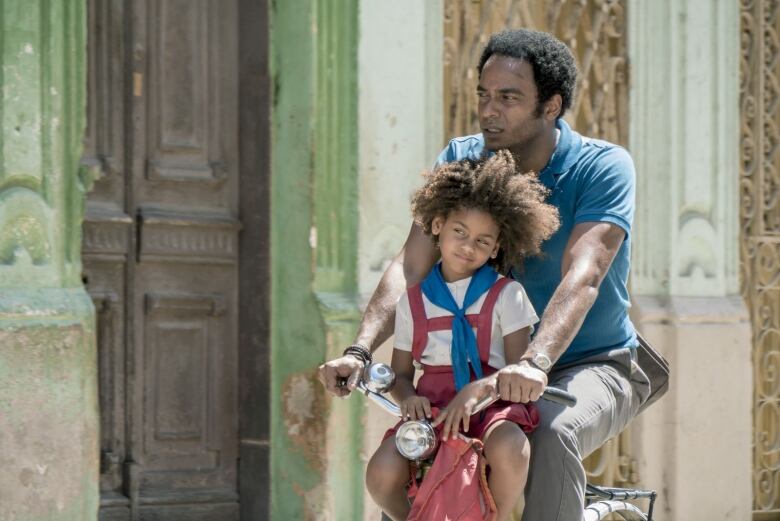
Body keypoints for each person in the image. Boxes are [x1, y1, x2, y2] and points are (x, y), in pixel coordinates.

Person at [319, 28, 651, 520]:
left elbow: (583, 274)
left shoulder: (603, 166)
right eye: (483, 95)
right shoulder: (462, 158)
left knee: (552, 432)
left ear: (552, 105)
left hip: (593, 361)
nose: (489, 110)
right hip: (483, 369)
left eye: (509, 98)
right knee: (405, 458)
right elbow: (412, 263)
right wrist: (359, 350)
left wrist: (535, 363)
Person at [365, 151, 559, 521]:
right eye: (460, 232)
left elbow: (519, 370)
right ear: (437, 225)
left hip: (493, 406)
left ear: (497, 248)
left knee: (510, 446)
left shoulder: (507, 294)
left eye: (484, 241)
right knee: (382, 471)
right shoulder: (412, 302)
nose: (469, 247)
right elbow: (401, 375)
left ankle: (495, 516)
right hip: (433, 411)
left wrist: (480, 391)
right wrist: (408, 399)